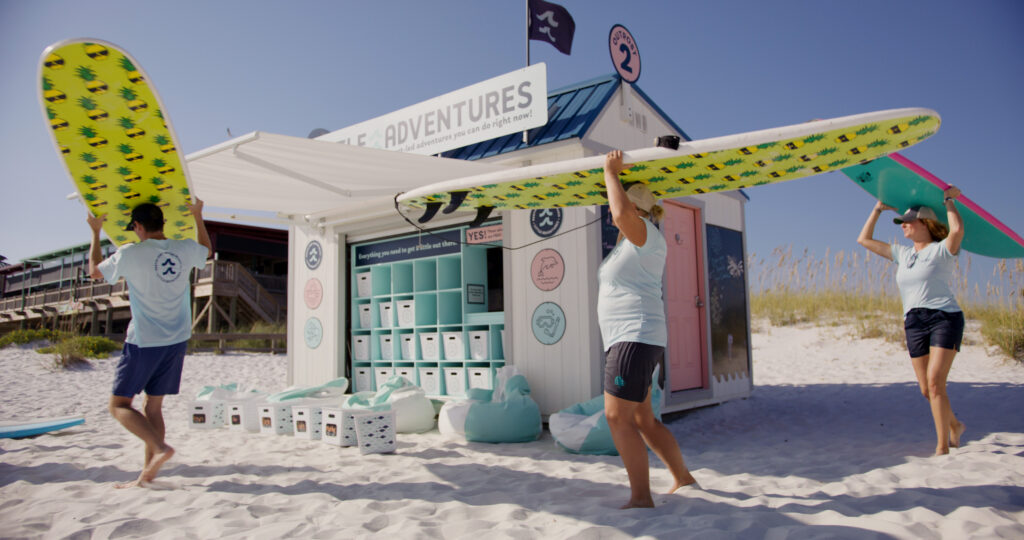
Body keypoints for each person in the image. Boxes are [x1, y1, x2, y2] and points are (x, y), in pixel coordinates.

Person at [88, 199, 211, 487]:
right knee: (153, 408)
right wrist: (198, 216)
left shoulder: (131, 253)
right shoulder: (183, 248)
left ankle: (160, 449)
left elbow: (94, 270)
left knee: (118, 405)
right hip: (177, 338)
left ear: (139, 227)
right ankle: (147, 475)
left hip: (144, 341)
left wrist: (95, 232)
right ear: (163, 224)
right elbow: (206, 251)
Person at [599, 150, 697, 508]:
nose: (614, 213)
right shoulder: (629, 243)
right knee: (642, 418)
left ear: (636, 209)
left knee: (616, 416)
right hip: (630, 338)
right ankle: (683, 477)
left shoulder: (646, 236)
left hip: (634, 336)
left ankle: (641, 497)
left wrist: (611, 173)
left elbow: (621, 213)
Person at [856, 187, 967, 456]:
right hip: (914, 320)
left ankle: (942, 447)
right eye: (901, 222)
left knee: (935, 383)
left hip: (944, 317)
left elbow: (956, 231)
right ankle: (955, 425)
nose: (903, 226)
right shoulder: (903, 254)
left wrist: (949, 201)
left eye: (908, 222)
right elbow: (864, 240)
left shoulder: (942, 251)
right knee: (926, 389)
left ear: (925, 224)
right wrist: (877, 210)